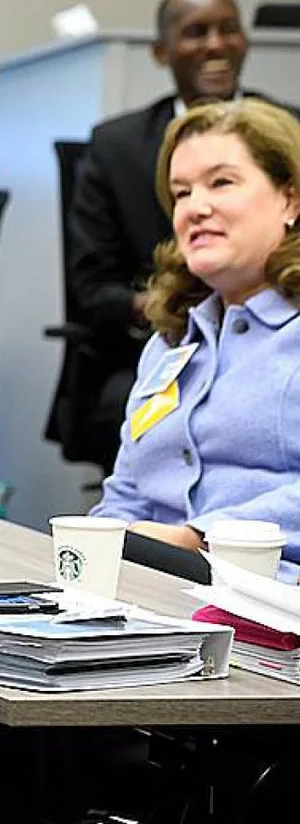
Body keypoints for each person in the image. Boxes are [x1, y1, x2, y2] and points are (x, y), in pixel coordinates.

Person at [63, 0, 289, 455]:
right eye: (182, 191)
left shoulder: (289, 131)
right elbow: (90, 289)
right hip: (158, 345)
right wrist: (180, 306)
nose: (216, 44)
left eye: (228, 29)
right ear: (161, 51)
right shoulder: (116, 148)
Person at [94, 98, 300, 580]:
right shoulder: (171, 341)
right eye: (181, 193)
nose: (195, 208)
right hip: (150, 592)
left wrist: (201, 537)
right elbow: (126, 489)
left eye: (221, 182)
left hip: (272, 596)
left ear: (290, 198)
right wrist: (92, 556)